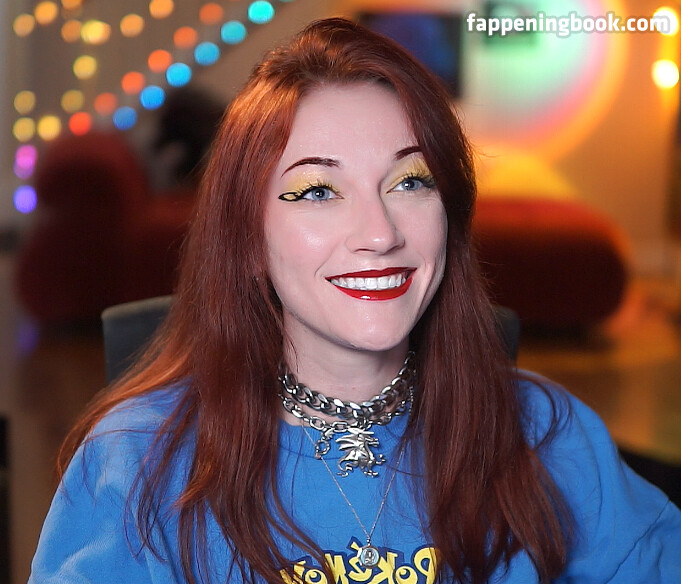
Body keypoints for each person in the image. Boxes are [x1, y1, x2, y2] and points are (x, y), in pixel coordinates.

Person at [29, 18, 681, 584]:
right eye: (317, 191)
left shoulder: (547, 435)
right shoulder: (134, 463)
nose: (379, 233)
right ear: (247, 232)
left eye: (410, 181)